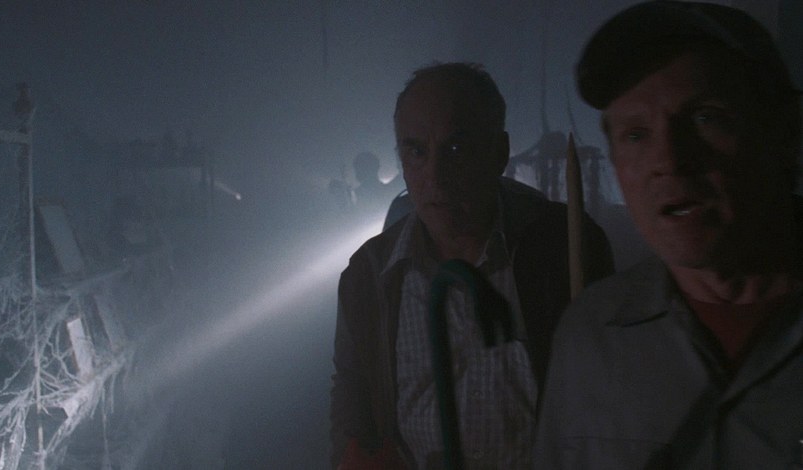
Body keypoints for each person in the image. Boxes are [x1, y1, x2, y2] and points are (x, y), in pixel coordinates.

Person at [533, 2, 803, 468]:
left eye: (705, 117)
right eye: (636, 135)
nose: (670, 160)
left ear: (787, 131)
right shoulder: (591, 334)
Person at [331, 62, 614, 469]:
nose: (435, 177)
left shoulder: (564, 247)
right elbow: (352, 399)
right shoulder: (370, 275)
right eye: (416, 152)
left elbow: (610, 394)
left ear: (499, 153)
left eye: (456, 149)